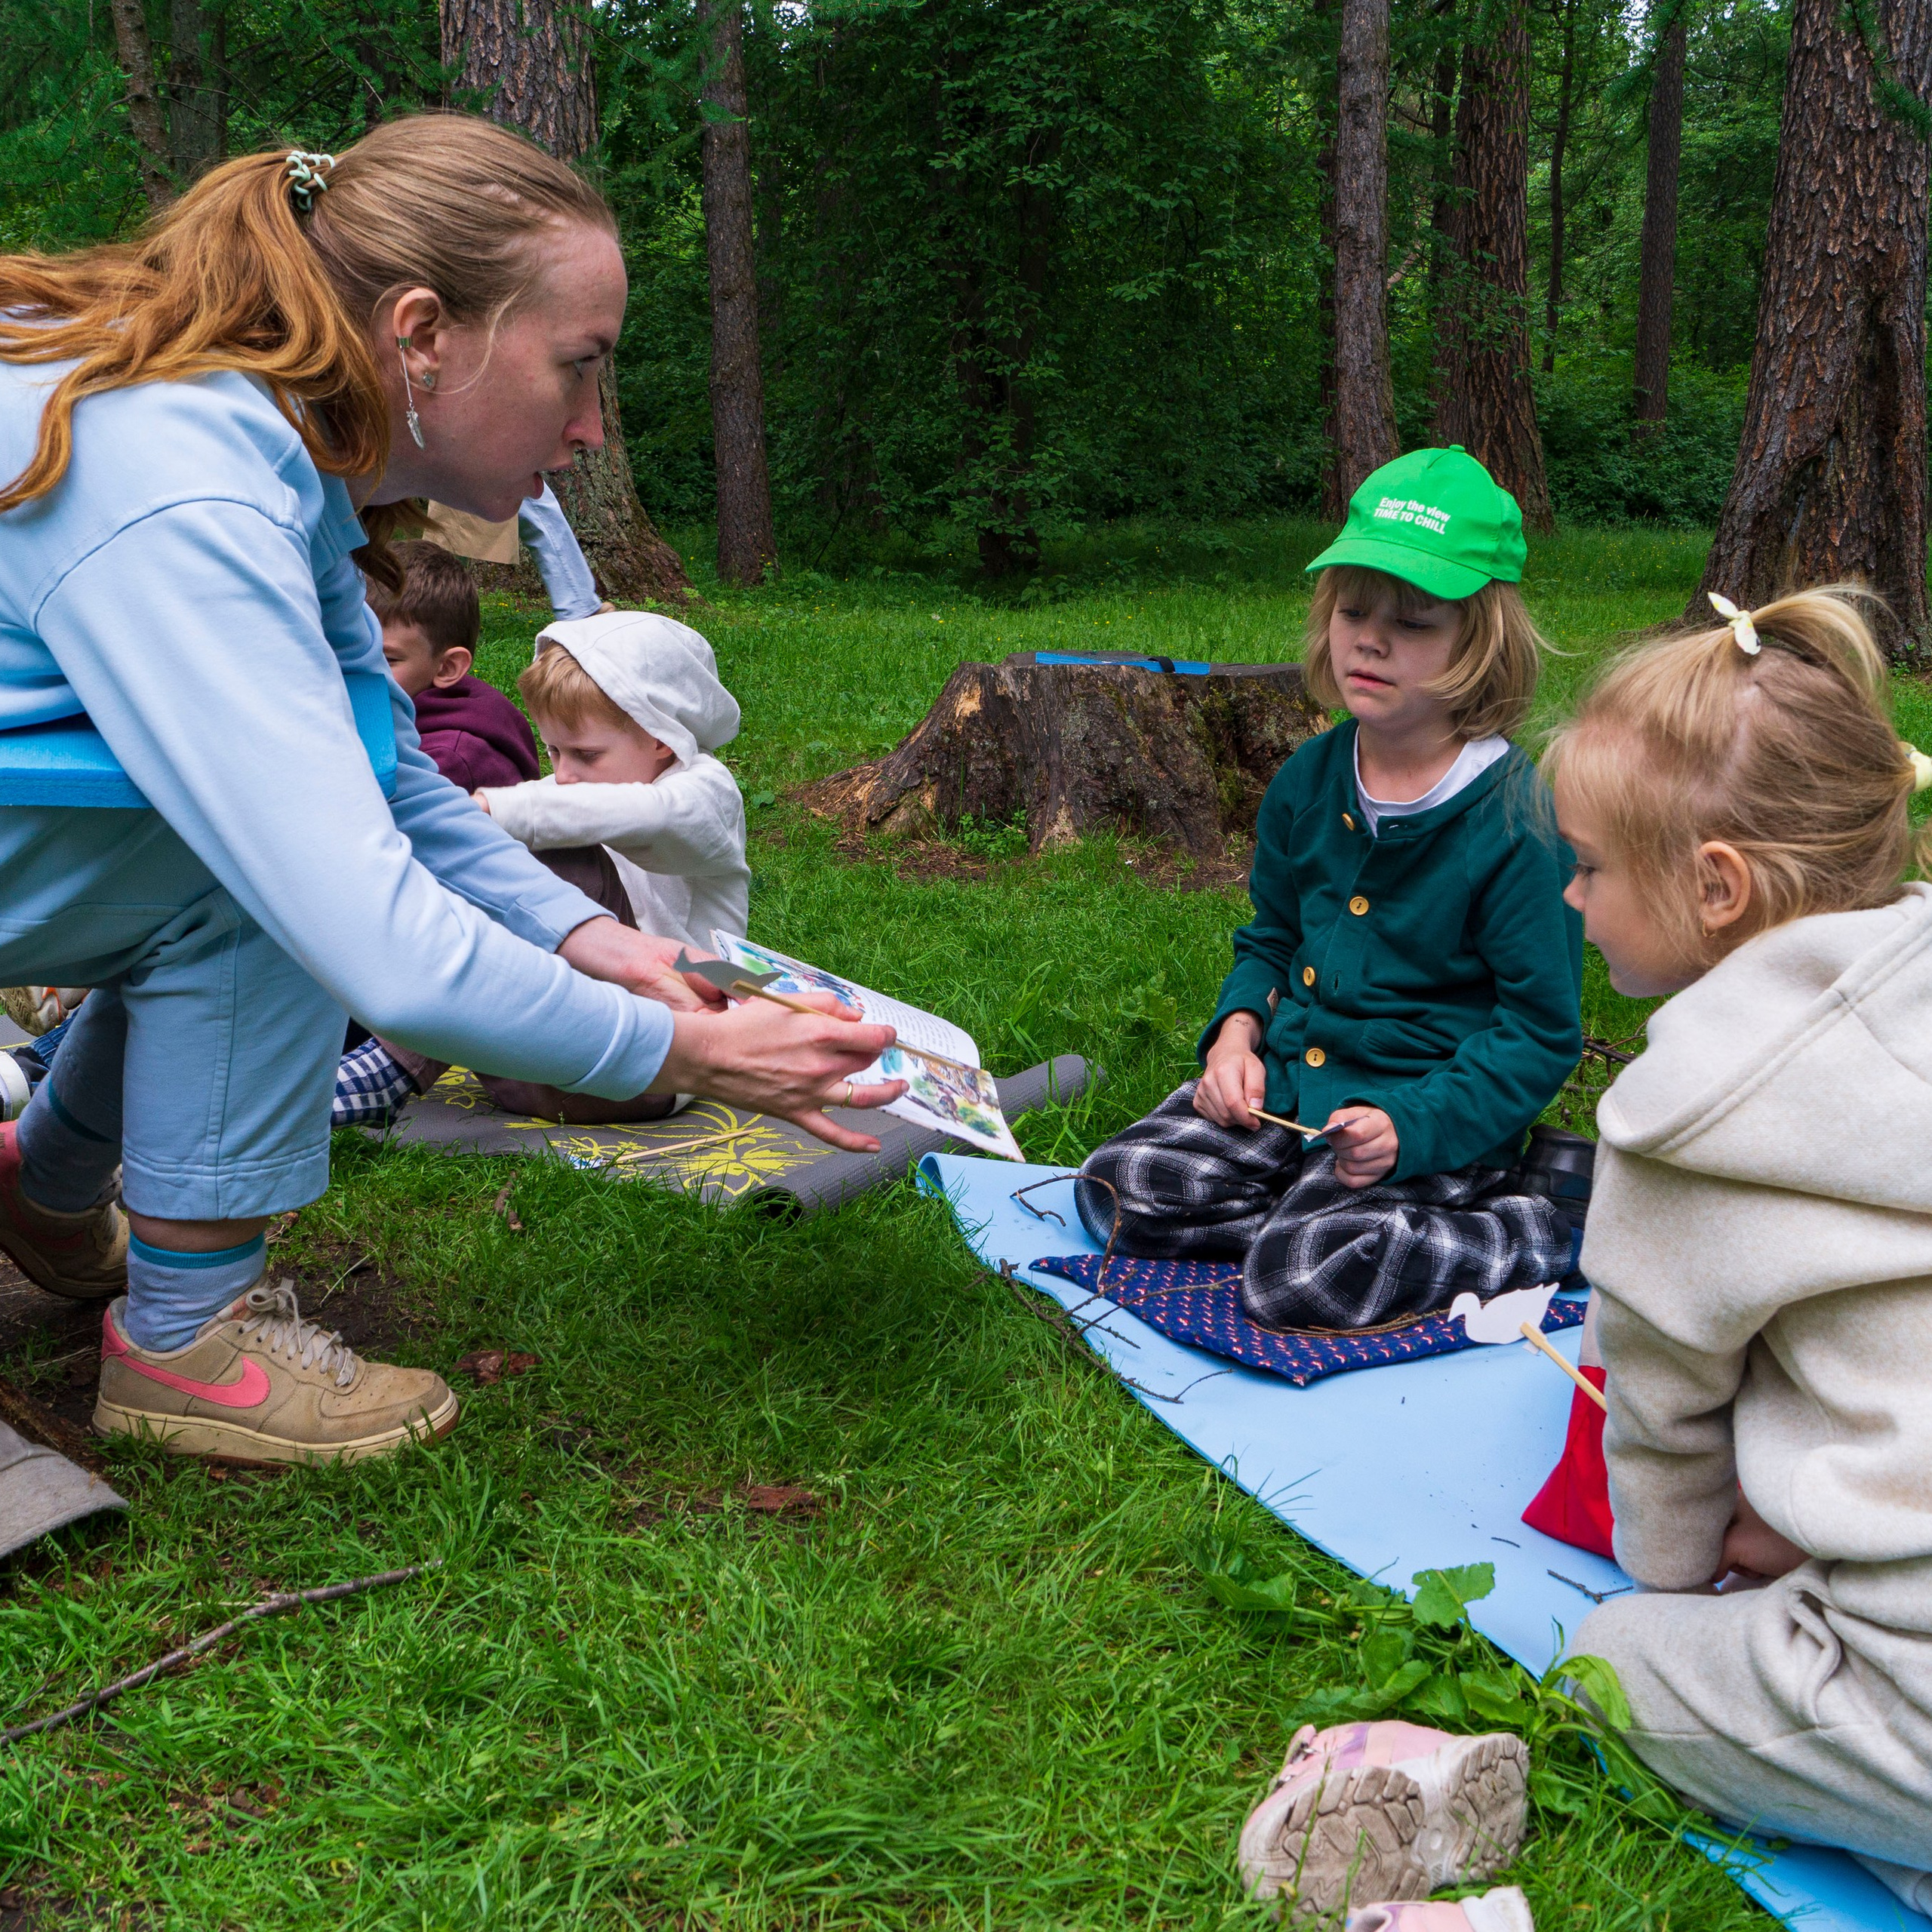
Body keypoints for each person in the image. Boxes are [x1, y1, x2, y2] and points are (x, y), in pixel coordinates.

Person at [0, 115, 900, 1468]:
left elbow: (392, 772)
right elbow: (367, 922)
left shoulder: (258, 442)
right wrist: (695, 1055)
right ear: (423, 334)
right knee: (268, 878)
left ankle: (44, 1187)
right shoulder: (190, 488)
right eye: (577, 368)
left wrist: (601, 944)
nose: (593, 426)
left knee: (275, 841)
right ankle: (185, 1348)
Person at [1542, 589, 1932, 1915]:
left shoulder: (1682, 1122)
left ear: (1716, 886)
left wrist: (1682, 1561)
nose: (1570, 894)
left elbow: (1657, 1445)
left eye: (1589, 864)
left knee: (1607, 1660)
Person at [1075, 448, 1581, 1331]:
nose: (1371, 640)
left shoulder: (1517, 818)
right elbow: (1270, 936)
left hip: (1422, 1121)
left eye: (1414, 622)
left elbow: (1538, 1031)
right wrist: (1236, 1037)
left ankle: (1539, 1226)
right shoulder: (1309, 778)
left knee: (1298, 1282)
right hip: (1290, 1097)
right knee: (1119, 1191)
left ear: (1481, 639)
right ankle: (1309, 1218)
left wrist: (1410, 1127)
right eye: (1353, 610)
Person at [337, 608, 749, 1128]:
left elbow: (636, 813)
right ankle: (363, 1029)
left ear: (661, 736)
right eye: (552, 750)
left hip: (650, 1070)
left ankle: (392, 1067)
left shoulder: (707, 794)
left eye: (585, 753)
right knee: (478, 867)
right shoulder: (581, 785)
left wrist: (486, 812)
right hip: (525, 1057)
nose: (565, 774)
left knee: (545, 853)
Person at [371, 539, 543, 792]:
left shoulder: (447, 760)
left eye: (388, 660)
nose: (359, 667)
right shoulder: (392, 710)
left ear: (447, 668)